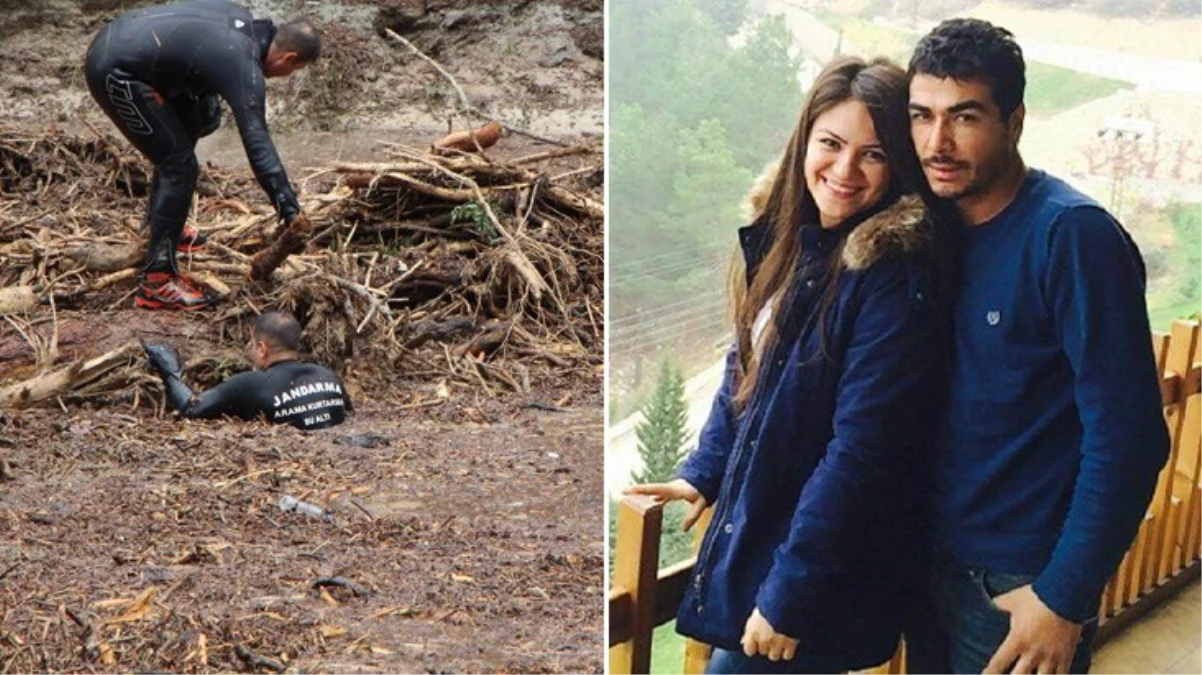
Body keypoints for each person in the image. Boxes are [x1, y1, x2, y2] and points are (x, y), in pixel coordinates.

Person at [625, 56, 958, 674]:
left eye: (874, 154)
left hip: (818, 575)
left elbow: (863, 452)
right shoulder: (795, 245)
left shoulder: (889, 277)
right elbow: (749, 364)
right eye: (830, 143)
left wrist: (789, 596)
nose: (844, 170)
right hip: (775, 552)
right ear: (804, 139)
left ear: (900, 166)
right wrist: (705, 468)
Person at [903, 19, 1170, 675]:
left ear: (1014, 120)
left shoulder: (1072, 237)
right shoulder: (925, 226)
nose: (938, 141)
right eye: (922, 116)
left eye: (965, 116)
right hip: (923, 558)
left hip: (1016, 581)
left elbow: (1131, 436)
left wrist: (1064, 595)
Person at [84, 0, 320, 310]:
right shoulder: (242, 63)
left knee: (203, 116)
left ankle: (164, 225)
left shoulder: (242, 23)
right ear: (289, 57)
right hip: (117, 70)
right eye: (295, 69)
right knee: (179, 166)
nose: (288, 75)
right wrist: (289, 209)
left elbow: (185, 38)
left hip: (120, 43)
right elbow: (257, 142)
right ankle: (158, 279)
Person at [142, 312, 351, 429]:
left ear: (262, 349)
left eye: (252, 344)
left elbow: (192, 409)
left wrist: (169, 369)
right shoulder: (328, 376)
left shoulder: (251, 384)